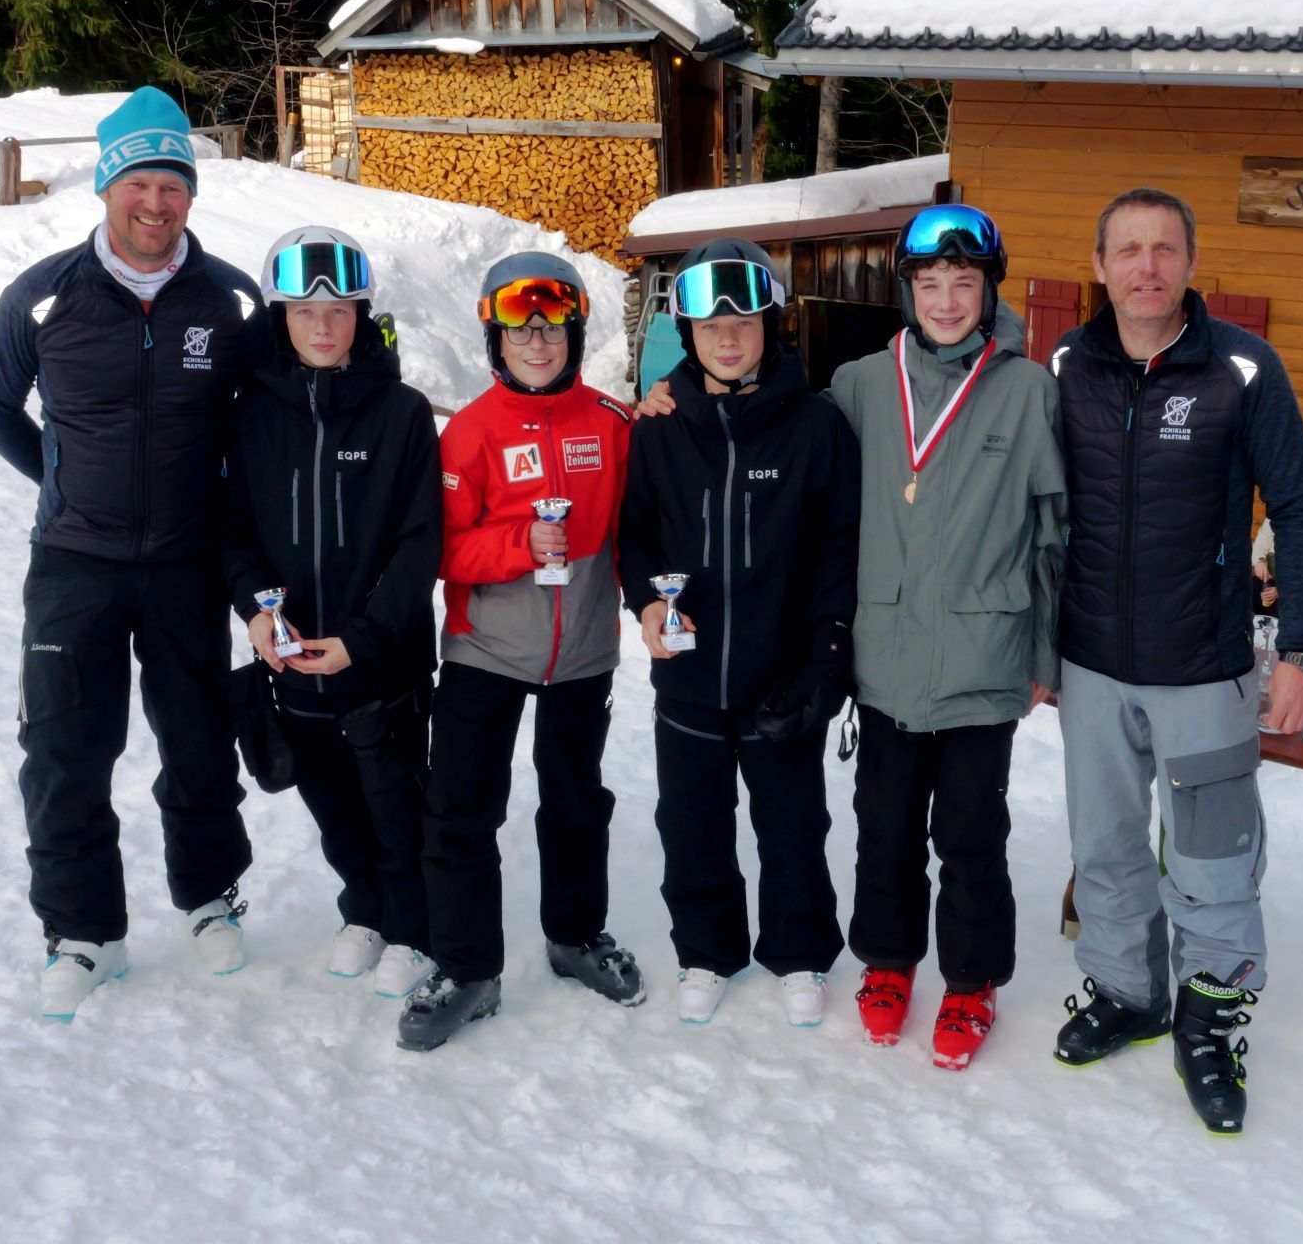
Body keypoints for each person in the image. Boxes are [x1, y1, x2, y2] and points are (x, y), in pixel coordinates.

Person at [636, 203, 1066, 1070]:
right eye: (931, 282)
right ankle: (888, 963)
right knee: (884, 826)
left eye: (965, 282)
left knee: (973, 833)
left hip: (983, 657)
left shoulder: (1029, 391)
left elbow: (1055, 532)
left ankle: (973, 981)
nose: (947, 299)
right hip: (887, 658)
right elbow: (749, 446)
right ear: (907, 291)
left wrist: (1044, 656)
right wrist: (668, 394)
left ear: (989, 289)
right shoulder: (861, 386)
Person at [0, 86, 266, 1021]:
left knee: (198, 738)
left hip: (185, 562)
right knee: (64, 750)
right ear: (107, 187)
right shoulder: (45, 294)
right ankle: (82, 932)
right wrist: (60, 482)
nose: (156, 202)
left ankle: (210, 896)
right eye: (139, 181)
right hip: (74, 565)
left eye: (173, 184)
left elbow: (265, 422)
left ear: (190, 195)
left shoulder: (227, 300)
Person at [1048, 186, 1303, 1136]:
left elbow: (1296, 510)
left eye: (1165, 248)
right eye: (1128, 249)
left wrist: (1298, 650)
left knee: (1213, 860)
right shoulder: (1067, 365)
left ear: (1192, 264)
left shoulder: (1244, 369)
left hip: (1204, 669)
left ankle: (1211, 1018)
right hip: (1090, 665)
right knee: (1107, 849)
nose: (1147, 266)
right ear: (1100, 266)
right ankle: (1128, 991)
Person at [398, 253, 641, 1052]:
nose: (537, 342)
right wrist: (517, 543)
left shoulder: (611, 424)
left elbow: (657, 503)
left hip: (581, 655)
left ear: (574, 333)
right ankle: (468, 968)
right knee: (461, 812)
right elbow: (441, 551)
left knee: (576, 805)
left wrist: (672, 408)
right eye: (519, 329)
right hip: (485, 653)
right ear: (494, 339)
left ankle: (575, 937)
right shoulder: (467, 433)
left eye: (552, 328)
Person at [618, 240, 858, 1027]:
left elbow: (839, 546)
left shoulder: (817, 426)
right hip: (688, 675)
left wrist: (826, 652)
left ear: (769, 325)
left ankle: (799, 952)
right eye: (711, 322)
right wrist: (648, 605)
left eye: (744, 320)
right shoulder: (658, 429)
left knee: (793, 824)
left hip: (779, 675)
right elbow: (637, 537)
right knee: (691, 822)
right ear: (686, 332)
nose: (728, 336)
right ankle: (707, 949)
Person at [220, 227, 442, 995]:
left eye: (340, 309)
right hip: (293, 665)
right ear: (278, 315)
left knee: (394, 802)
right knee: (333, 804)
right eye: (304, 310)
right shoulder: (251, 416)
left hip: (382, 663)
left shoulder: (403, 413)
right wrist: (255, 612)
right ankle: (367, 910)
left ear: (361, 315)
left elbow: (421, 543)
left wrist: (364, 637)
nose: (322, 325)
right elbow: (234, 528)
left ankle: (414, 928)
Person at [1248, 493, 1303, 614]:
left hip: (1295, 587)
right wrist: (1259, 561)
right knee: (1247, 595)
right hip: (1268, 578)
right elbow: (1260, 543)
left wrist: (1282, 590)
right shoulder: (1279, 511)